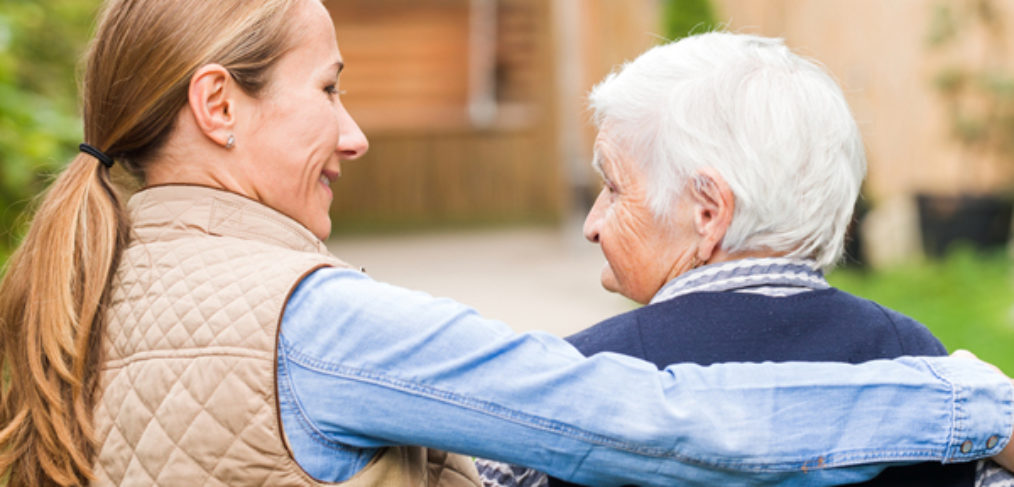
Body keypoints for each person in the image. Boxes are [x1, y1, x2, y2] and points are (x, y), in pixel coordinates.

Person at [0, 1, 1012, 486]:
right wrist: (971, 401)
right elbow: (655, 421)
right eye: (328, 89)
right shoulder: (312, 325)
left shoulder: (71, 292)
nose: (354, 133)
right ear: (218, 104)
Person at [475, 32, 1014, 487]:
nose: (593, 224)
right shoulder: (930, 372)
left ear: (708, 212)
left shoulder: (574, 384)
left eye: (614, 188)